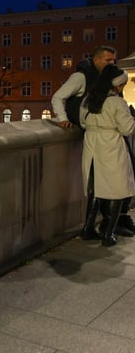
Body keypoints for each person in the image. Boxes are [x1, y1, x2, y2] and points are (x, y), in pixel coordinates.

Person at [50, 45, 135, 238]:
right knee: (114, 184)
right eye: (108, 60)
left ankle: (97, 226)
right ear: (96, 60)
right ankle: (109, 227)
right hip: (104, 139)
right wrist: (62, 117)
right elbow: (57, 97)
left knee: (97, 184)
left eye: (113, 60)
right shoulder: (81, 77)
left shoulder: (102, 83)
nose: (111, 63)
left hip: (93, 137)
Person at [79, 65, 135, 246]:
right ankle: (108, 233)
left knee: (95, 187)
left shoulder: (88, 100)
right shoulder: (117, 102)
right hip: (110, 145)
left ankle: (87, 228)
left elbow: (82, 121)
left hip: (91, 144)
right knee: (118, 189)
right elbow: (127, 129)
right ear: (118, 85)